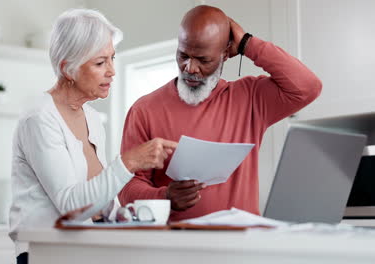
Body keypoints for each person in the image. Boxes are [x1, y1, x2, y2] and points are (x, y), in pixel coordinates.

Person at [118, 5, 322, 222]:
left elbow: (307, 87)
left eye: (203, 60)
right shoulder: (145, 109)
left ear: (225, 54)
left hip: (243, 244)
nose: (190, 68)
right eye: (183, 55)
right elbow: (126, 188)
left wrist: (248, 44)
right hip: (177, 246)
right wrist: (164, 196)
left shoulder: (250, 98)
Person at [9, 9, 177, 264]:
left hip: (84, 252)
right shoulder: (40, 119)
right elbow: (71, 206)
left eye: (112, 59)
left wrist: (119, 214)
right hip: (45, 255)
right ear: (68, 68)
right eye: (100, 63)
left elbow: (94, 198)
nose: (112, 71)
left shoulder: (93, 118)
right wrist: (128, 162)